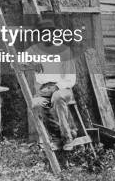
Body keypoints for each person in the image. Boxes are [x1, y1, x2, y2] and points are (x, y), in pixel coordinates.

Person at [29, 19, 78, 151]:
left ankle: (67, 138)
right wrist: (31, 64)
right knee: (38, 103)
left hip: (63, 88)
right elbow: (14, 63)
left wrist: (57, 87)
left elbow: (71, 79)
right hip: (45, 88)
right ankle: (56, 138)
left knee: (57, 97)